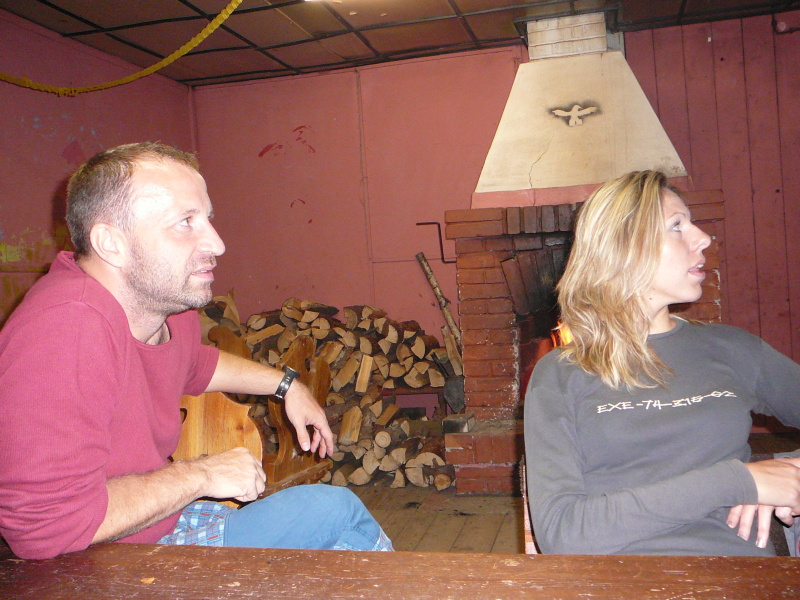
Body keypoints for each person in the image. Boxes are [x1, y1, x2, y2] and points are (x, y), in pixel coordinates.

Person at [0, 142, 392, 560]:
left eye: (207, 218)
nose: (217, 244)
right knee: (340, 519)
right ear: (111, 242)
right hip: (97, 562)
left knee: (334, 513)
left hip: (158, 523)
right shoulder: (65, 327)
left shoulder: (167, 308)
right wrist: (201, 474)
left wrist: (287, 386)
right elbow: (44, 528)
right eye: (185, 222)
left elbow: (195, 365)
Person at [524, 170, 800, 556]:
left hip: (738, 574)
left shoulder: (734, 349)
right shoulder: (560, 373)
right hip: (615, 578)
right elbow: (562, 534)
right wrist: (736, 482)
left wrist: (790, 474)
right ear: (622, 248)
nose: (703, 238)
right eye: (676, 226)